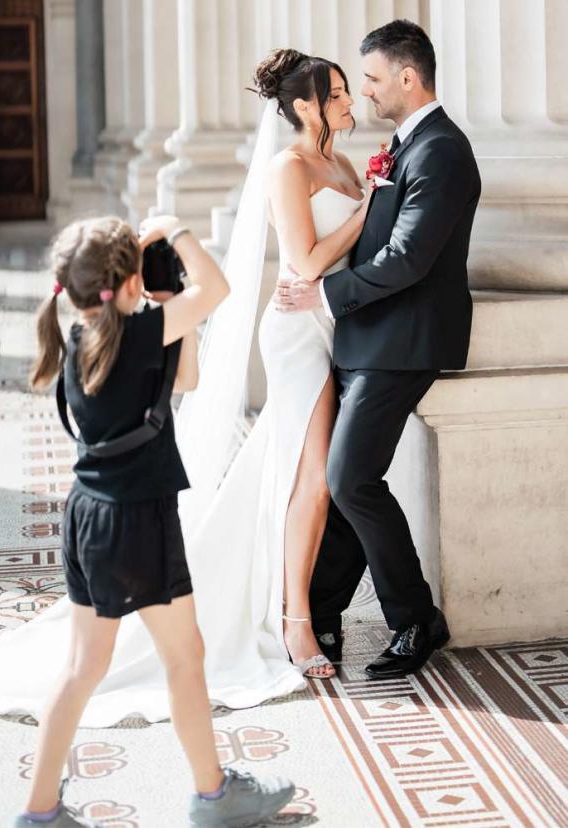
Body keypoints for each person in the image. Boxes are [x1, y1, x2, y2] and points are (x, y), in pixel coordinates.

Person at [0, 49, 372, 728]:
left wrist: (370, 203)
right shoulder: (287, 168)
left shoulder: (346, 166)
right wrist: (365, 214)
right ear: (304, 106)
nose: (353, 102)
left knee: (291, 474)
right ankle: (295, 619)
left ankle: (291, 599)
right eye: (340, 93)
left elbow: (341, 256)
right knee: (314, 478)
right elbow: (303, 261)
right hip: (297, 339)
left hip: (335, 327)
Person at [10, 214, 294, 828]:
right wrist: (177, 230)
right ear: (129, 277)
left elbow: (184, 379)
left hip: (87, 517)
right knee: (185, 657)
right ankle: (214, 797)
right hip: (137, 520)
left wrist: (160, 298)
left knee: (84, 666)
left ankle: (38, 813)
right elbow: (216, 290)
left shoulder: (87, 337)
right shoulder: (137, 336)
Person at [275, 19, 478, 679]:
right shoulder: (406, 145)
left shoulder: (442, 150)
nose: (363, 92)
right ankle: (325, 611)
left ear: (408, 78)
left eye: (370, 78)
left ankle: (416, 618)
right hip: (366, 338)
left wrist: (327, 297)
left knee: (349, 477)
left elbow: (410, 258)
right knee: (342, 476)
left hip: (404, 341)